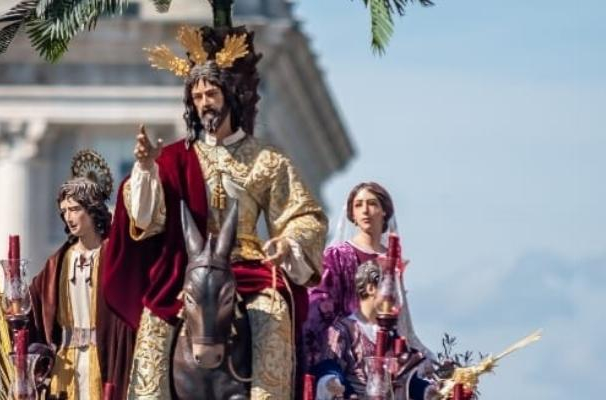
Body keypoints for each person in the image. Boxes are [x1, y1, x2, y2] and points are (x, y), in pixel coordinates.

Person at [101, 26, 328, 399]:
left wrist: (287, 243)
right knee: (155, 325)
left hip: (247, 265)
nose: (205, 102)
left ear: (229, 97)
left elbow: (303, 214)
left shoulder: (266, 159)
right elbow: (146, 218)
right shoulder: (174, 158)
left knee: (272, 316)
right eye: (197, 96)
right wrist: (144, 169)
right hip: (187, 268)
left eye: (211, 93)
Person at [28, 151, 134, 400]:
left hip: (104, 358)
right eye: (64, 210)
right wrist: (7, 304)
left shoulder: (113, 256)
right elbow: (32, 304)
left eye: (75, 209)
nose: (69, 217)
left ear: (93, 209)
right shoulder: (59, 261)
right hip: (65, 362)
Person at [312, 261, 439, 400]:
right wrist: (333, 382)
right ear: (371, 288)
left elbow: (404, 378)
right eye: (391, 290)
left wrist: (427, 390)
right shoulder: (343, 330)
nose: (396, 298)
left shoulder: (391, 334)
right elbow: (329, 367)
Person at [303, 182, 394, 370]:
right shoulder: (337, 255)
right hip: (343, 350)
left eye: (372, 203)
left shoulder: (392, 260)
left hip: (386, 349)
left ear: (384, 211)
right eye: (358, 205)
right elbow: (318, 305)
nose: (365, 211)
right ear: (352, 214)